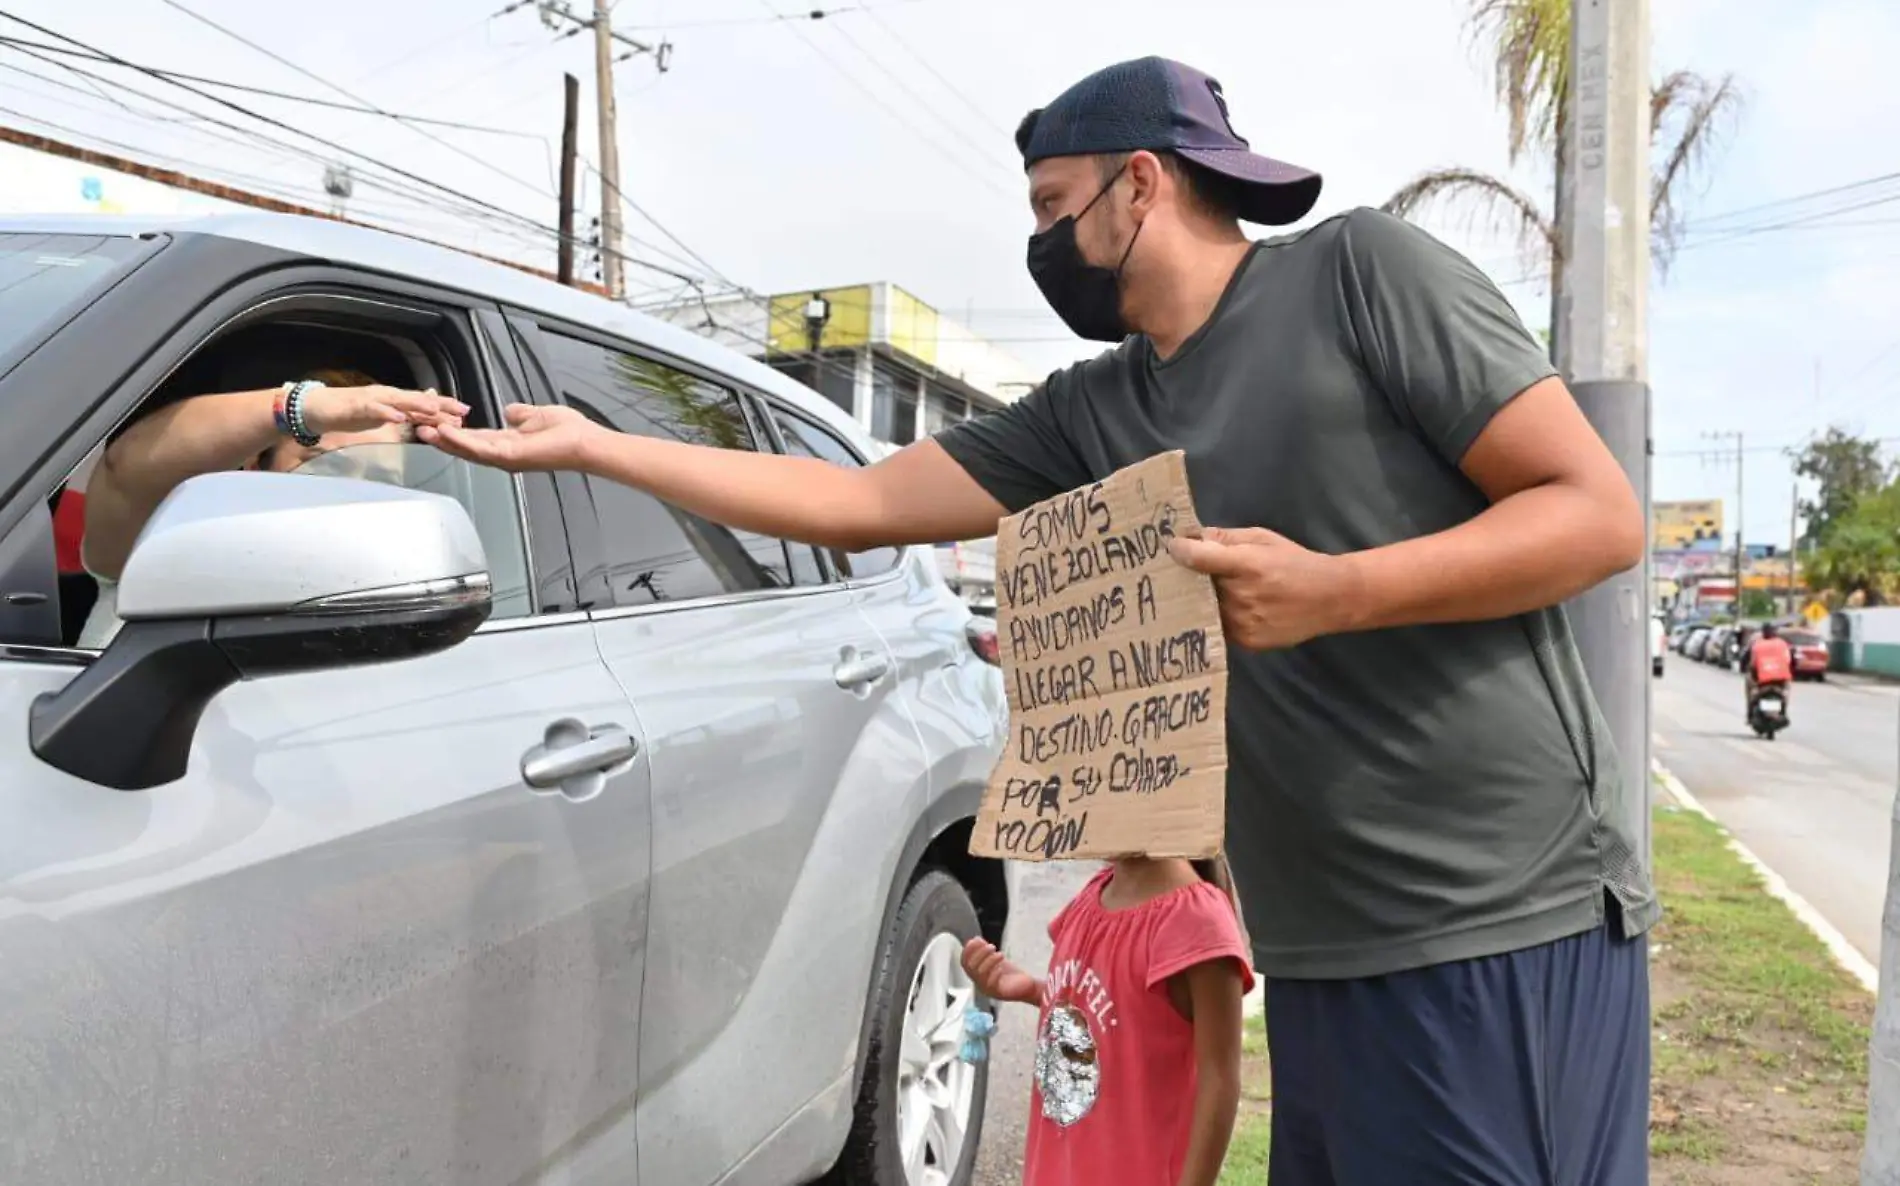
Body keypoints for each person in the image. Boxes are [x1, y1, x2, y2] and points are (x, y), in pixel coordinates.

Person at [425, 55, 1651, 1184]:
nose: (1042, 242)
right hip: (1323, 944)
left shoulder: (1361, 273)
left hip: (1498, 910)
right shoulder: (1089, 412)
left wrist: (1341, 589)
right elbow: (853, 503)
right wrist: (593, 444)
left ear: (1139, 184)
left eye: (1050, 206)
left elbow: (1595, 514)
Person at [77, 368, 466, 648]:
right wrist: (302, 407)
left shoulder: (406, 599)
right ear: (254, 468)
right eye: (323, 464)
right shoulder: (175, 552)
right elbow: (125, 469)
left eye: (380, 478)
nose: (353, 492)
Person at [962, 855, 1251, 1186]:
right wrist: (1033, 990)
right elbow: (1117, 1015)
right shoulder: (1094, 895)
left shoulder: (1197, 919)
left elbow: (1220, 1078)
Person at [1744, 621, 1794, 717]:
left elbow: (1752, 663)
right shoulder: (1782, 644)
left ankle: (1749, 711)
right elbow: (1789, 660)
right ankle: (1784, 710)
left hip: (1762, 679)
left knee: (1749, 685)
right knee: (1786, 690)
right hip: (1780, 679)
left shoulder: (1757, 644)